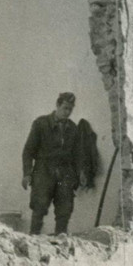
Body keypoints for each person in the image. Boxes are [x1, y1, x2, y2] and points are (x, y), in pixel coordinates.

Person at [21, 92, 90, 235]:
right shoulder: (41, 123)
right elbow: (28, 151)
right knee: (39, 209)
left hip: (65, 175)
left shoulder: (73, 128)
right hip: (43, 172)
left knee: (64, 210)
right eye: (65, 108)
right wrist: (27, 173)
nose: (67, 112)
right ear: (57, 105)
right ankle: (33, 240)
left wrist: (81, 173)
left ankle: (60, 242)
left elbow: (77, 155)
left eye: (70, 109)